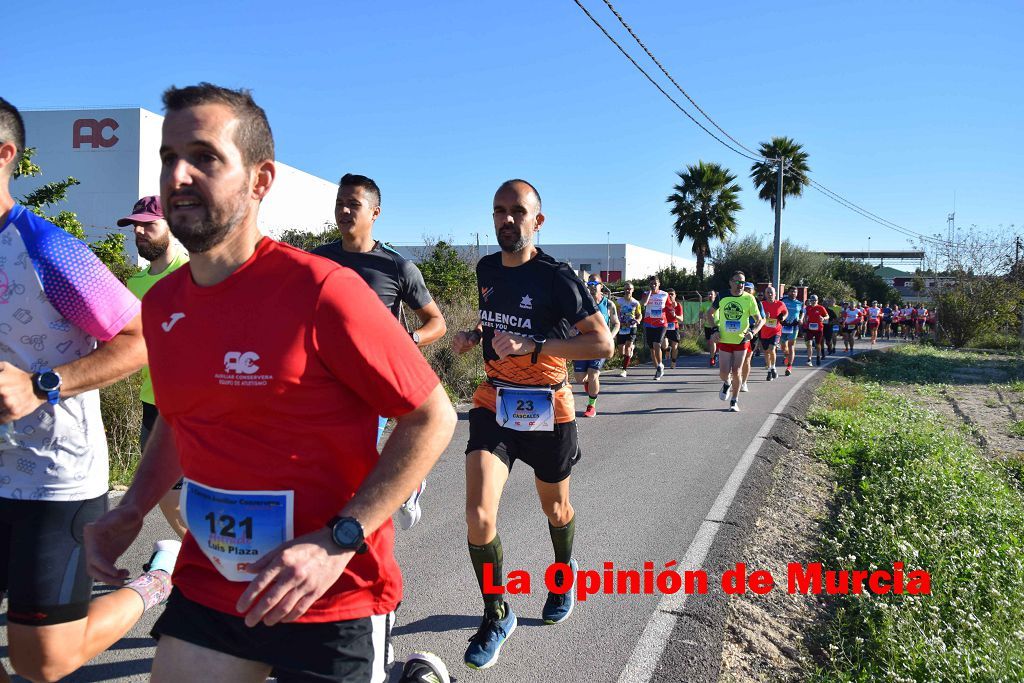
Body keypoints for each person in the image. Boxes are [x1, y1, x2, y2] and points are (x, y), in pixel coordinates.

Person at [84, 83, 457, 683]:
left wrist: (339, 539)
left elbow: (431, 417)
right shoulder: (163, 304)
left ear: (260, 180)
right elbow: (181, 422)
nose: (177, 174)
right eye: (167, 156)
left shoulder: (323, 291)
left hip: (328, 589)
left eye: (204, 157)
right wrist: (130, 509)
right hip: (213, 581)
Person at [0, 96, 180, 683]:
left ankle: (158, 582)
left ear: (4, 156)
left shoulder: (49, 249)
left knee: (43, 661)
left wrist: (41, 385)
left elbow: (139, 340)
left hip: (50, 476)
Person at [452, 179, 612, 670]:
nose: (506, 219)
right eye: (499, 210)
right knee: (479, 515)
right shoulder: (485, 268)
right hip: (494, 400)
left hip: (548, 405)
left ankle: (564, 570)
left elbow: (601, 344)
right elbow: (497, 321)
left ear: (537, 220)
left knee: (557, 510)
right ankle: (497, 612)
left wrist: (535, 348)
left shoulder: (558, 277)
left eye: (517, 211)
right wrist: (472, 334)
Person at [313, 173, 447, 531]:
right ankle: (405, 482)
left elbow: (436, 322)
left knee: (351, 468)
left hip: (371, 383)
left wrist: (409, 340)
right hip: (322, 381)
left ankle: (351, 537)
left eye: (353, 204)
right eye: (340, 203)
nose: (343, 210)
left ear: (375, 213)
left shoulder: (397, 267)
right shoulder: (316, 260)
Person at [122, 195, 190, 539]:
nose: (140, 232)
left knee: (184, 489)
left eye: (149, 225)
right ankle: (207, 556)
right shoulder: (134, 284)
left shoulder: (193, 274)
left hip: (193, 404)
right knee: (166, 491)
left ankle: (215, 561)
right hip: (152, 401)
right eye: (136, 227)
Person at [707, 271, 762, 412]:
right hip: (724, 339)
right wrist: (714, 330)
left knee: (737, 371)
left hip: (741, 340)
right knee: (723, 373)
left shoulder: (749, 298)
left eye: (742, 282)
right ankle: (727, 382)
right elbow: (710, 313)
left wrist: (753, 332)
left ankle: (734, 401)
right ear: (731, 282)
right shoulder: (722, 296)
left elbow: (759, 320)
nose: (740, 285)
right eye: (737, 282)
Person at [573, 276, 619, 418]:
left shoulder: (608, 304)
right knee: (580, 379)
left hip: (600, 345)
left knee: (593, 373)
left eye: (595, 283)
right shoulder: (581, 302)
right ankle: (590, 386)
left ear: (601, 286)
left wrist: (610, 337)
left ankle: (591, 405)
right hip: (583, 343)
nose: (592, 286)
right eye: (589, 283)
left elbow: (616, 323)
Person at [642, 276, 669, 380]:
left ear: (659, 284)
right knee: (652, 349)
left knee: (656, 344)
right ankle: (658, 369)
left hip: (661, 323)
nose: (653, 286)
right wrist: (649, 293)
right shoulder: (645, 293)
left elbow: (669, 306)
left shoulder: (664, 294)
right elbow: (643, 303)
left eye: (655, 284)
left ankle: (660, 364)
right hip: (649, 323)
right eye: (651, 284)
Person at [759, 286, 788, 381]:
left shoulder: (780, 304)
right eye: (768, 293)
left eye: (771, 292)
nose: (770, 294)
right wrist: (763, 316)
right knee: (766, 352)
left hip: (776, 331)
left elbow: (785, 312)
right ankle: (769, 370)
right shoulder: (761, 304)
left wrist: (783, 317)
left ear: (775, 294)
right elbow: (755, 315)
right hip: (764, 332)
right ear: (765, 294)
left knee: (772, 349)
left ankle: (773, 368)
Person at [615, 283, 642, 377]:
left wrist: (638, 320)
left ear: (632, 290)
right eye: (626, 289)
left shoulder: (636, 303)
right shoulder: (619, 302)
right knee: (621, 351)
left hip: (632, 327)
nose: (627, 291)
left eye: (629, 289)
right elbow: (615, 314)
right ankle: (631, 349)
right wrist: (617, 322)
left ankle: (624, 370)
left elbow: (639, 314)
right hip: (622, 327)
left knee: (627, 348)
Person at [779, 287, 804, 376]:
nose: (793, 293)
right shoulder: (783, 301)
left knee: (791, 346)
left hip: (794, 326)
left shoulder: (799, 303)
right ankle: (786, 355)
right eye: (792, 291)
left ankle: (789, 367)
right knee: (782, 345)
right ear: (788, 292)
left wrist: (801, 319)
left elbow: (802, 312)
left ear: (797, 293)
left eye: (795, 292)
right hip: (784, 326)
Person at [803, 294, 830, 366]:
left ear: (817, 301)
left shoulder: (821, 308)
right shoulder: (807, 308)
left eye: (815, 300)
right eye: (812, 300)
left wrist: (823, 318)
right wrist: (805, 320)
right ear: (810, 301)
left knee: (818, 344)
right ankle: (809, 359)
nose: (813, 302)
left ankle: (818, 356)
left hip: (819, 329)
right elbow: (805, 315)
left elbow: (827, 316)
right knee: (809, 344)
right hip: (810, 328)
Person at [662, 289, 682, 369]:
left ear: (675, 295)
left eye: (672, 294)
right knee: (664, 345)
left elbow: (681, 319)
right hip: (664, 326)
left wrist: (675, 316)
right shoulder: (663, 305)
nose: (670, 296)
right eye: (668, 294)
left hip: (674, 327)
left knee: (675, 346)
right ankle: (667, 349)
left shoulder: (678, 305)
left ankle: (673, 361)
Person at [700, 290, 719, 367]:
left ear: (715, 295)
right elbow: (700, 314)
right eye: (708, 294)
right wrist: (703, 316)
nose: (710, 295)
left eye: (711, 294)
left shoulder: (718, 303)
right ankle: (714, 355)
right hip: (707, 326)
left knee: (712, 342)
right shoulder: (704, 304)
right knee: (709, 343)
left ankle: (712, 359)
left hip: (716, 325)